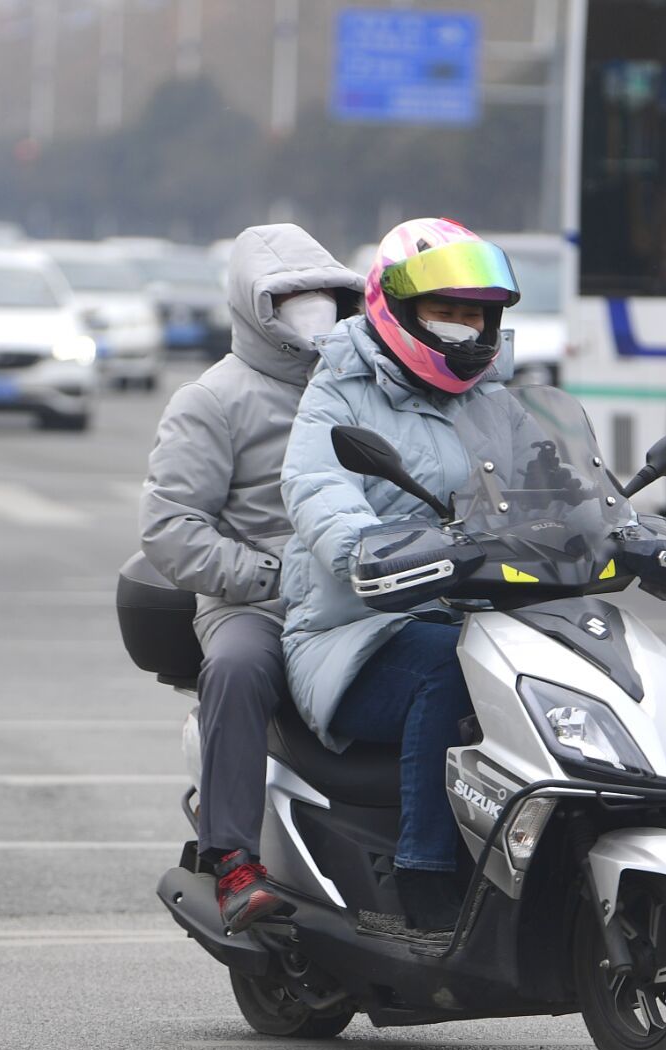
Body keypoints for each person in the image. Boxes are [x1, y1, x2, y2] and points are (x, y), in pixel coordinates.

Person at [279, 217, 531, 934]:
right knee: (449, 670)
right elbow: (316, 486)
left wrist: (630, 531)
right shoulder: (339, 391)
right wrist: (371, 551)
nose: (464, 327)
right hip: (357, 633)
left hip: (480, 619)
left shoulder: (498, 403)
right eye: (446, 310)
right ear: (397, 308)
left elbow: (557, 488)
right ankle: (425, 877)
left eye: (476, 314)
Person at [139, 224, 363, 931]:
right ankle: (233, 863)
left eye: (324, 294)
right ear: (253, 305)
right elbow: (171, 529)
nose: (311, 309)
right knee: (236, 669)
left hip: (366, 593)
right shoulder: (211, 399)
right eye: (289, 296)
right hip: (256, 606)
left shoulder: (366, 386)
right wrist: (272, 575)